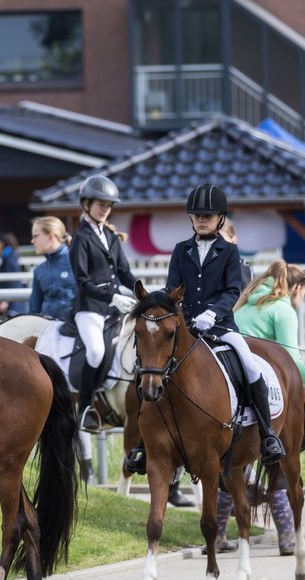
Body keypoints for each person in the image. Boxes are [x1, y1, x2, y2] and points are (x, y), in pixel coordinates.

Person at [125, 183, 285, 476]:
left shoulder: (229, 251)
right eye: (197, 215)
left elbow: (233, 290)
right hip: (185, 328)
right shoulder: (180, 250)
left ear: (220, 219)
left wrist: (213, 313)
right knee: (151, 370)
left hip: (221, 326)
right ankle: (142, 445)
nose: (202, 219)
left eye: (208, 216)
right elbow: (173, 288)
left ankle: (267, 435)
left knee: (250, 367)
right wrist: (159, 305)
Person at [212, 261, 305, 554]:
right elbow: (290, 363)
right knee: (284, 453)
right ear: (297, 288)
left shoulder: (245, 304)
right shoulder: (282, 309)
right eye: (304, 293)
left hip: (232, 384)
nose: (302, 299)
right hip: (262, 387)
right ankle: (288, 537)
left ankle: (217, 534)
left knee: (229, 461)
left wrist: (303, 389)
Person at [70, 174, 138, 434]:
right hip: (89, 309)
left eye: (108, 205)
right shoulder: (81, 238)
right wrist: (112, 297)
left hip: (113, 307)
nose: (105, 209)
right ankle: (85, 407)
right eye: (100, 204)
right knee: (96, 352)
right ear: (86, 204)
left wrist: (144, 293)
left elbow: (124, 272)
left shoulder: (109, 236)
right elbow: (83, 281)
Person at [26, 216, 73, 319]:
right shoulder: (39, 270)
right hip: (48, 330)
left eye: (35, 236)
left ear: (50, 236)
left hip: (76, 328)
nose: (32, 241)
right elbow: (34, 311)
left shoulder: (77, 261)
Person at [0, 232, 26, 319]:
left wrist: (7, 299)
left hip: (12, 301)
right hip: (11, 299)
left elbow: (12, 280)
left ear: (2, 243)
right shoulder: (8, 255)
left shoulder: (9, 257)